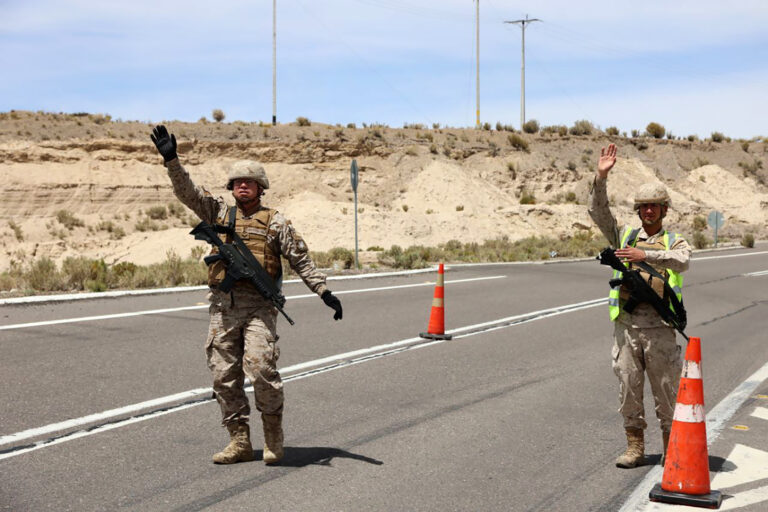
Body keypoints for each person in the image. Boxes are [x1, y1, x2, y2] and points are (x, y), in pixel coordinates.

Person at [150, 125, 343, 465]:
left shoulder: (276, 223)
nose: (243, 185)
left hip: (259, 308)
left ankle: (273, 438)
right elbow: (188, 194)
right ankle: (239, 442)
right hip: (223, 308)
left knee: (262, 369)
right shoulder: (219, 213)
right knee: (224, 377)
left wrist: (323, 290)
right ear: (232, 187)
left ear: (260, 188)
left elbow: (300, 259)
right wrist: (172, 161)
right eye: (238, 181)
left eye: (249, 182)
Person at [588, 143, 692, 468]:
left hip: (660, 331)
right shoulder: (626, 237)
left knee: (666, 393)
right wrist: (600, 177)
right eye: (644, 206)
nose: (649, 211)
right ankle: (634, 447)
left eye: (655, 206)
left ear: (664, 210)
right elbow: (599, 213)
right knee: (628, 391)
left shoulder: (674, 241)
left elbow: (683, 261)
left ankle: (670, 449)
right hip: (627, 329)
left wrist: (646, 256)